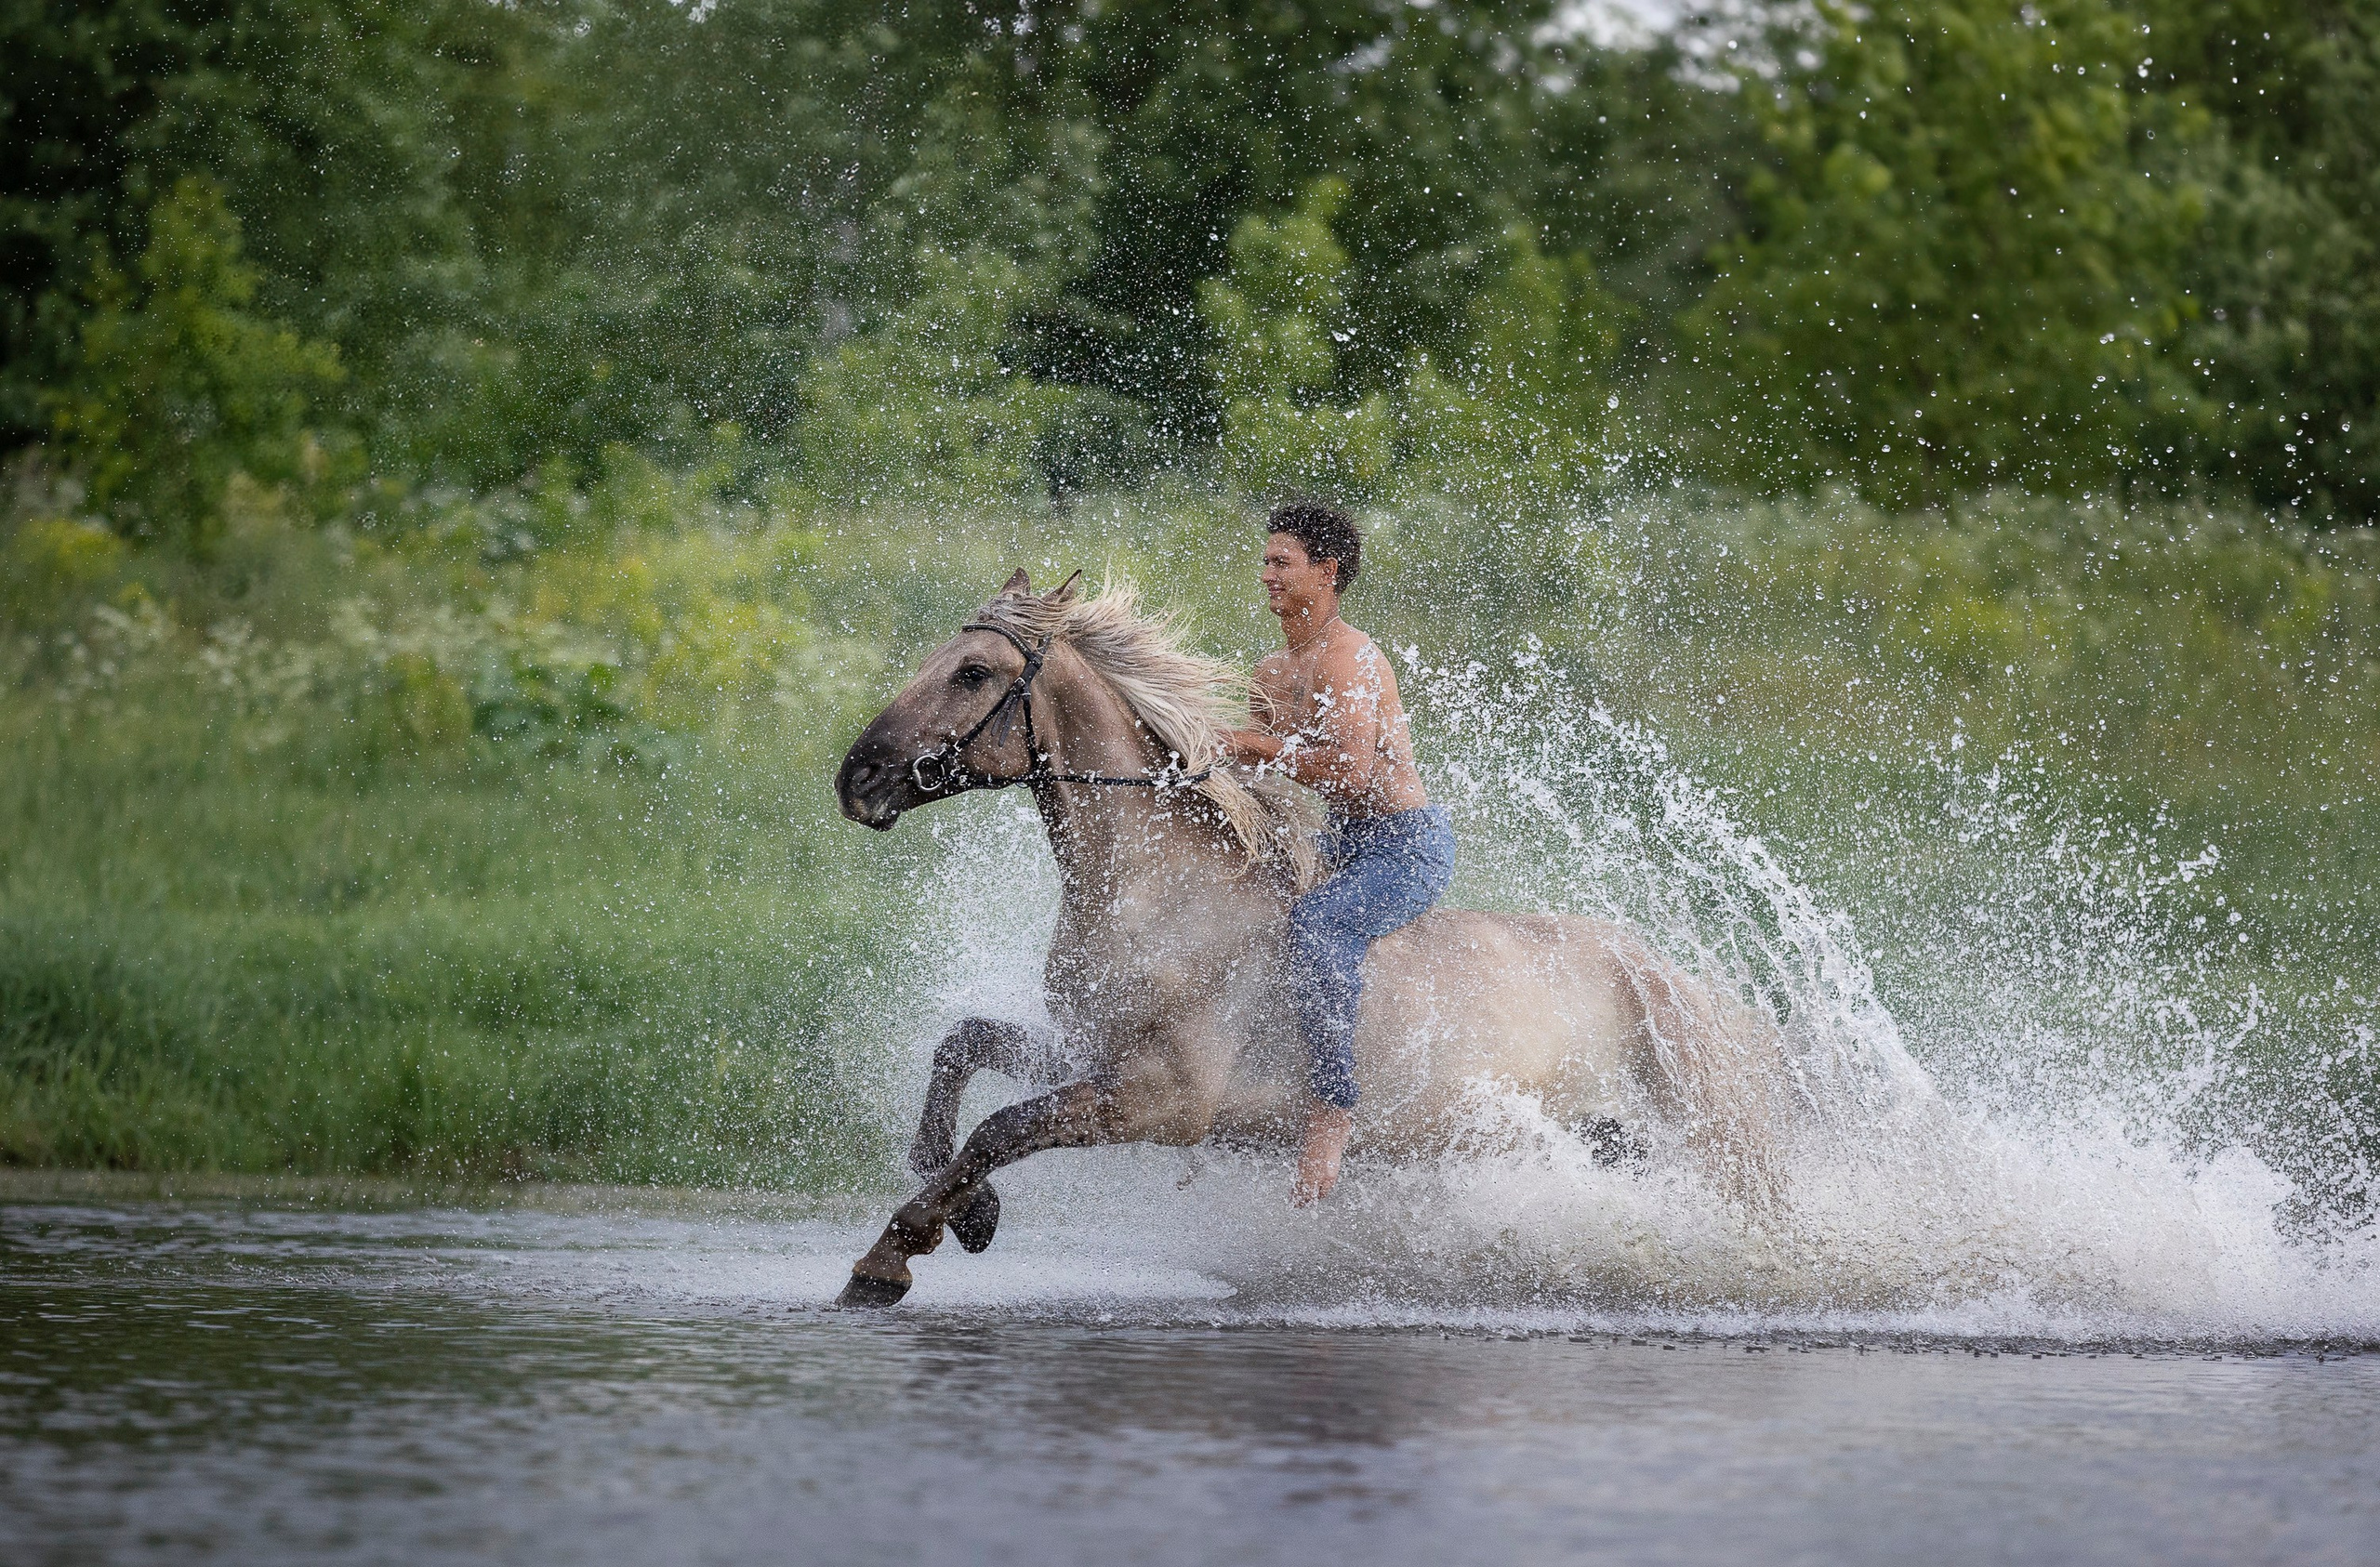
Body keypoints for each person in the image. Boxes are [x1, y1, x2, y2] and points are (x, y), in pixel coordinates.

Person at [1222, 501, 1456, 1205]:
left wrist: (1253, 743)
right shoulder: (1270, 668)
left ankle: (1331, 1107)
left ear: (1325, 573)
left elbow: (1351, 771)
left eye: (1280, 562)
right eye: (1264, 560)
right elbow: (1256, 772)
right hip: (1341, 840)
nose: (1265, 574)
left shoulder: (1351, 656)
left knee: (1318, 923)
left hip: (1404, 847)